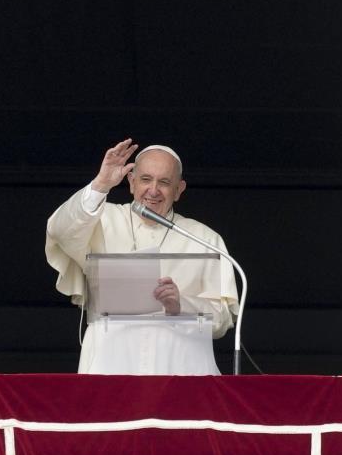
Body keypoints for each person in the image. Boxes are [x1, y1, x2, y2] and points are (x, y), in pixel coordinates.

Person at [45, 139, 239, 373]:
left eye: (165, 182)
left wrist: (182, 304)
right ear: (131, 182)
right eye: (146, 179)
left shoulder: (205, 239)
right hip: (112, 361)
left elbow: (223, 319)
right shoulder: (100, 219)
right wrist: (100, 185)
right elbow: (60, 230)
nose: (154, 190)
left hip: (179, 364)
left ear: (179, 190)